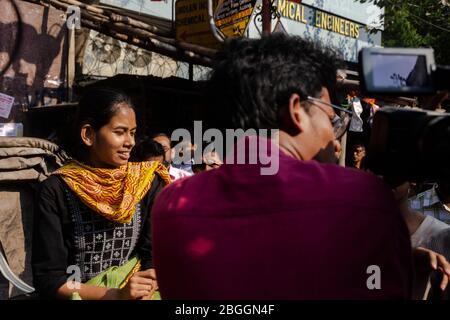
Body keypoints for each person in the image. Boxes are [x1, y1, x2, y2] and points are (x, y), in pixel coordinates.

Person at [151, 35, 414, 299]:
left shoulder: (171, 205)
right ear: (296, 110)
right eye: (332, 121)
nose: (334, 140)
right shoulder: (362, 199)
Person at [32, 87, 171, 299]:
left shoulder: (147, 182)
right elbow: (49, 279)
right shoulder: (56, 189)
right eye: (119, 132)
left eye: (132, 133)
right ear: (88, 134)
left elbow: (153, 256)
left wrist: (146, 286)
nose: (130, 142)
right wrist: (115, 294)